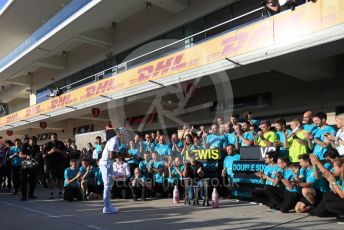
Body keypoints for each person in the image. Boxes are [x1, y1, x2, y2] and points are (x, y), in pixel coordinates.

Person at [99, 127, 127, 214]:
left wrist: (120, 154)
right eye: (124, 135)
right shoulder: (115, 141)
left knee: (109, 185)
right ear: (121, 134)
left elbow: (112, 155)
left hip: (108, 163)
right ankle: (106, 208)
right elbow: (111, 156)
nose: (125, 137)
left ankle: (108, 205)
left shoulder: (115, 140)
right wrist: (123, 155)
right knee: (107, 185)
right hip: (106, 163)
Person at [312, 158, 344, 224]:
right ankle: (338, 213)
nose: (333, 168)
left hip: (342, 197)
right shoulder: (338, 174)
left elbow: (342, 195)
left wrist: (333, 182)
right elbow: (325, 173)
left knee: (328, 197)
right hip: (339, 197)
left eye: (335, 167)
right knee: (319, 212)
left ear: (341, 168)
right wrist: (315, 164)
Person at [44, 133, 67, 199]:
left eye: (55, 137)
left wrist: (58, 150)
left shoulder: (60, 143)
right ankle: (51, 192)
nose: (54, 138)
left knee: (60, 178)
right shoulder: (48, 144)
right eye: (52, 137)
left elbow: (65, 151)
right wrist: (51, 151)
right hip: (50, 164)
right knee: (51, 178)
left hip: (59, 163)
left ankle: (60, 192)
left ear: (57, 137)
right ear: (51, 138)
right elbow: (44, 153)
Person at [19, 136, 39, 201]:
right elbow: (20, 155)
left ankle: (31, 194)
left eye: (35, 142)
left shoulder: (36, 147)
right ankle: (24, 196)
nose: (34, 143)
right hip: (25, 164)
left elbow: (38, 155)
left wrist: (36, 158)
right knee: (23, 181)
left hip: (33, 164)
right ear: (30, 141)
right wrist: (26, 156)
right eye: (33, 142)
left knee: (33, 181)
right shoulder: (24, 145)